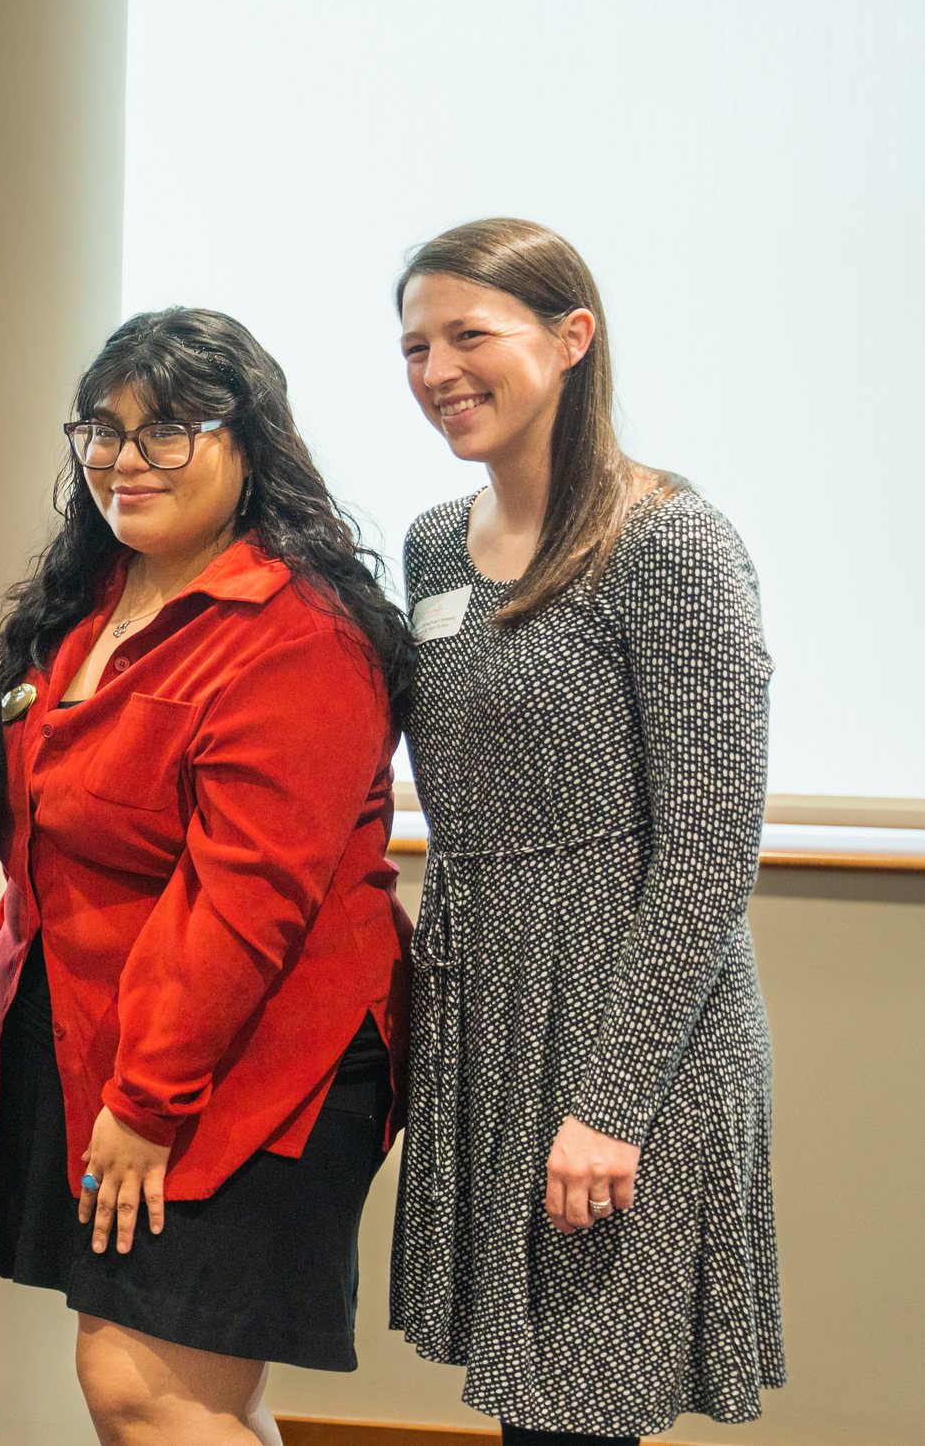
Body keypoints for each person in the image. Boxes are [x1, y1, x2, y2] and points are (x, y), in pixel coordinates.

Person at [0, 308, 416, 1446]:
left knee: (141, 1387)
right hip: (103, 1036)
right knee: (196, 1393)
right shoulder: (90, 607)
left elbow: (246, 897)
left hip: (249, 1063)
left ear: (250, 441)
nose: (126, 459)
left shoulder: (297, 633)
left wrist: (146, 1099)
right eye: (104, 429)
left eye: (168, 430)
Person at [387, 219, 783, 1445]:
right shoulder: (432, 544)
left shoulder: (666, 539)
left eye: (469, 334)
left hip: (629, 1021)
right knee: (529, 1402)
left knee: (581, 1407)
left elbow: (712, 849)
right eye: (413, 345)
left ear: (571, 338)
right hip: (487, 1005)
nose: (438, 369)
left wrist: (611, 1101)